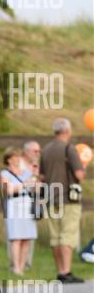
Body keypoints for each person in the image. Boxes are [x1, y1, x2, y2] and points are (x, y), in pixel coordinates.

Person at [39, 118, 86, 283]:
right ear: (67, 130)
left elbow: (41, 176)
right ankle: (66, 271)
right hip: (68, 198)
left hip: (51, 198)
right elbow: (79, 175)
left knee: (55, 236)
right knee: (68, 234)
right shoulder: (69, 148)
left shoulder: (46, 150)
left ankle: (60, 271)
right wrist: (83, 166)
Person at [0, 148, 38, 276]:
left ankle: (22, 267)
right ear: (8, 160)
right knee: (16, 238)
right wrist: (24, 185)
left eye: (18, 157)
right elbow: (8, 190)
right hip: (13, 206)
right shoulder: (5, 174)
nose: (17, 159)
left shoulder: (27, 173)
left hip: (27, 205)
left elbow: (35, 187)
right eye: (14, 157)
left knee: (26, 238)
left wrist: (34, 178)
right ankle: (15, 267)